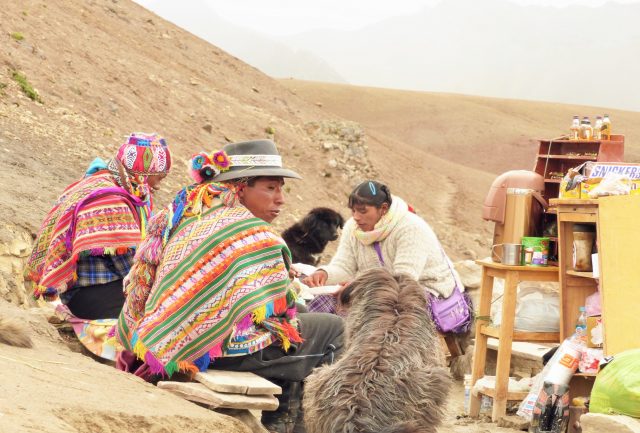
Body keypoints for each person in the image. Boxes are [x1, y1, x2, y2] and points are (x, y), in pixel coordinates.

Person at [116, 139, 343, 433]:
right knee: (332, 328)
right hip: (207, 351)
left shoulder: (187, 213)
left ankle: (282, 420)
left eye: (281, 188)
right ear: (240, 186)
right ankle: (298, 424)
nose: (281, 199)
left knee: (297, 318)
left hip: (162, 338)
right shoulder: (255, 237)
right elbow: (281, 314)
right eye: (271, 187)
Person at [25, 132, 171, 320]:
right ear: (142, 172)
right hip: (88, 295)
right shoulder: (111, 201)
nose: (158, 186)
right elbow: (129, 267)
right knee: (154, 313)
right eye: (158, 177)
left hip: (89, 290)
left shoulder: (105, 180)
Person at [305, 179, 459, 306]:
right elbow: (345, 266)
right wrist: (325, 274)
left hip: (424, 290)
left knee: (373, 317)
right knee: (319, 304)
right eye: (353, 211)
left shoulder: (410, 228)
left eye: (363, 211)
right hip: (374, 289)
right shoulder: (353, 227)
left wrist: (357, 287)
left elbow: (404, 280)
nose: (356, 217)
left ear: (383, 209)